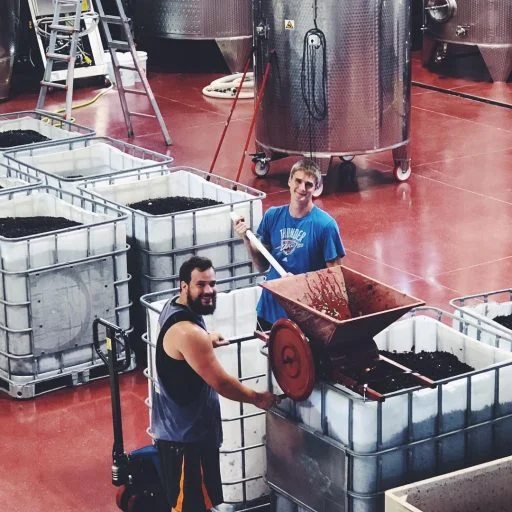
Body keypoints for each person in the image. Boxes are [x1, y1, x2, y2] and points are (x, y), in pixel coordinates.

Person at [151, 256, 279, 512]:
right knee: (188, 507)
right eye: (201, 284)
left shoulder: (175, 308)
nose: (209, 290)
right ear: (183, 286)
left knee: (203, 503)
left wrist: (206, 338)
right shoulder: (189, 333)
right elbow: (222, 383)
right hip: (186, 442)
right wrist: (258, 398)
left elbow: (178, 348)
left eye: (213, 284)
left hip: (186, 433)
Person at [233, 159, 346, 330]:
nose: (302, 188)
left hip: (302, 317)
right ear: (289, 181)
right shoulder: (272, 216)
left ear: (316, 188)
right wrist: (246, 239)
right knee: (270, 356)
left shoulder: (325, 226)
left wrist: (301, 284)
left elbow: (336, 279)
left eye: (308, 184)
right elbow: (262, 266)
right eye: (298, 181)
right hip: (269, 310)